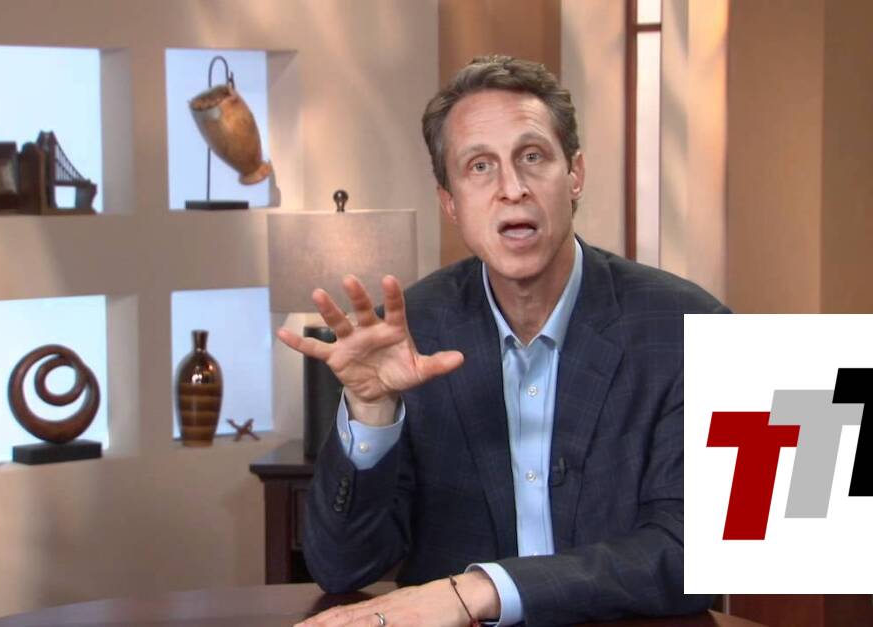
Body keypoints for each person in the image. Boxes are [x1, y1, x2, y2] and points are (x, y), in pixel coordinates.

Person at [278, 55, 724, 627]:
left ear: (575, 175)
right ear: (450, 203)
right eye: (480, 166)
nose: (512, 189)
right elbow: (341, 568)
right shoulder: (411, 334)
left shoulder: (689, 327)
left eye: (532, 157)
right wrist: (371, 412)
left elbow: (694, 554)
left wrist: (482, 590)